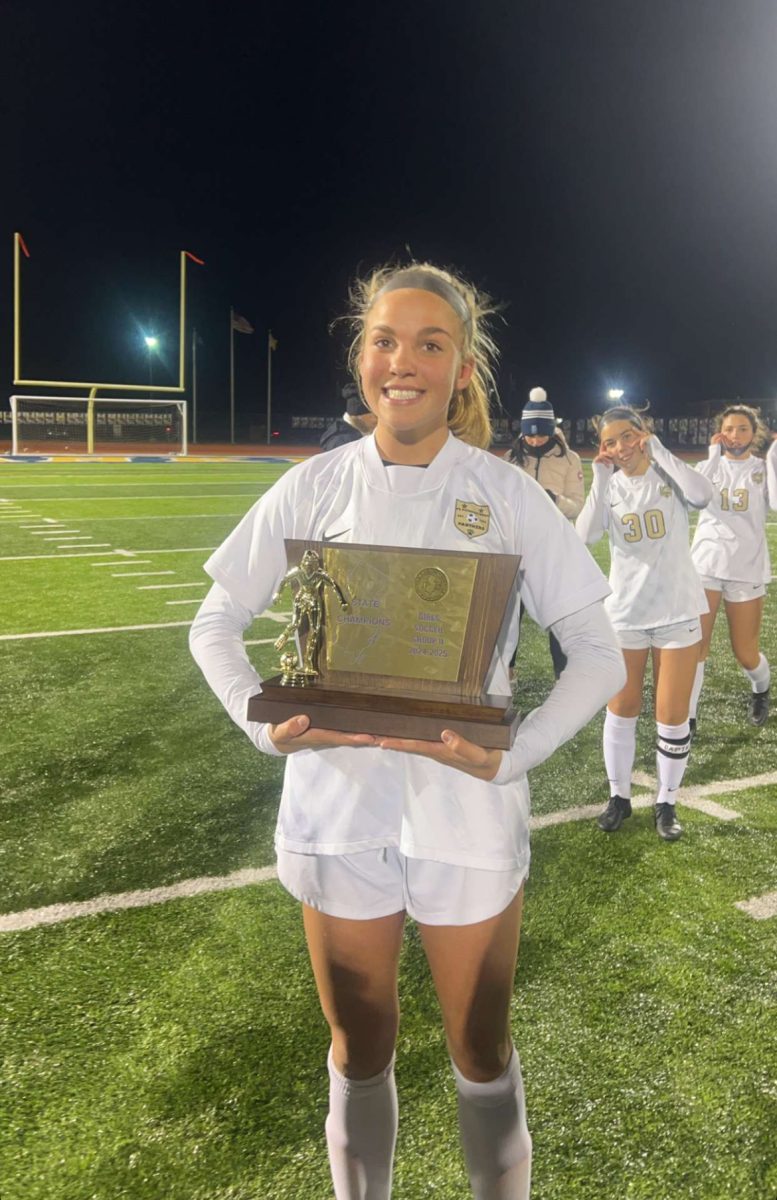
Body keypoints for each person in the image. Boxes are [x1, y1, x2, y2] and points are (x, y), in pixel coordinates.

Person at [189, 261, 625, 1200]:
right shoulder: (315, 486)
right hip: (337, 809)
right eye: (385, 340)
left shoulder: (505, 494)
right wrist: (264, 730)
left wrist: (518, 753)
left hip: (467, 814)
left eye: (431, 344)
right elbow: (212, 623)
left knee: (478, 1049)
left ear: (462, 368)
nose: (405, 361)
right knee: (358, 1047)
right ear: (361, 359)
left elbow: (596, 649)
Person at [576, 404, 713, 842]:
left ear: (643, 434)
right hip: (626, 613)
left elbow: (703, 495)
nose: (619, 448)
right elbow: (585, 537)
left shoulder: (669, 476)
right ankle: (619, 797)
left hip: (676, 612)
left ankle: (666, 802)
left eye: (627, 437)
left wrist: (660, 450)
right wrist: (598, 477)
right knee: (622, 709)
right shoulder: (610, 485)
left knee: (672, 716)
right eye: (609, 441)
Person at [689, 405, 777, 729]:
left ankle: (761, 688)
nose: (735, 435)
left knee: (745, 653)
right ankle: (689, 716)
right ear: (719, 432)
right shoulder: (707, 464)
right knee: (696, 645)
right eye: (729, 428)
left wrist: (774, 458)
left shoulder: (763, 468)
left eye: (742, 428)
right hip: (705, 564)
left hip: (746, 567)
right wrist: (713, 455)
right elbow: (694, 497)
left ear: (754, 434)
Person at [505, 387, 585, 677]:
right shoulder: (511, 458)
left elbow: (578, 507)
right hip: (519, 548)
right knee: (509, 615)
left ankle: (564, 677)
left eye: (541, 434)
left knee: (558, 615)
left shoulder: (570, 459)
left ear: (552, 430)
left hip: (555, 549)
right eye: (530, 434)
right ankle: (506, 673)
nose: (535, 440)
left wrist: (553, 500)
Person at [320, 381, 378, 450]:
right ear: (360, 416)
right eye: (375, 415)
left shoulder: (355, 433)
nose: (378, 420)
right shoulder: (341, 441)